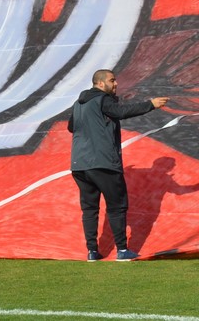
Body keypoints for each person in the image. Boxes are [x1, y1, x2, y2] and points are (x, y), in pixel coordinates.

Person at [68, 69, 169, 262]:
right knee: (117, 206)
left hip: (79, 165)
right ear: (99, 83)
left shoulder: (78, 104)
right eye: (112, 80)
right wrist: (151, 104)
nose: (116, 84)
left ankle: (92, 252)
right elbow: (120, 112)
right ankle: (122, 250)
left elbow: (71, 127)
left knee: (90, 209)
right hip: (103, 163)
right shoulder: (102, 99)